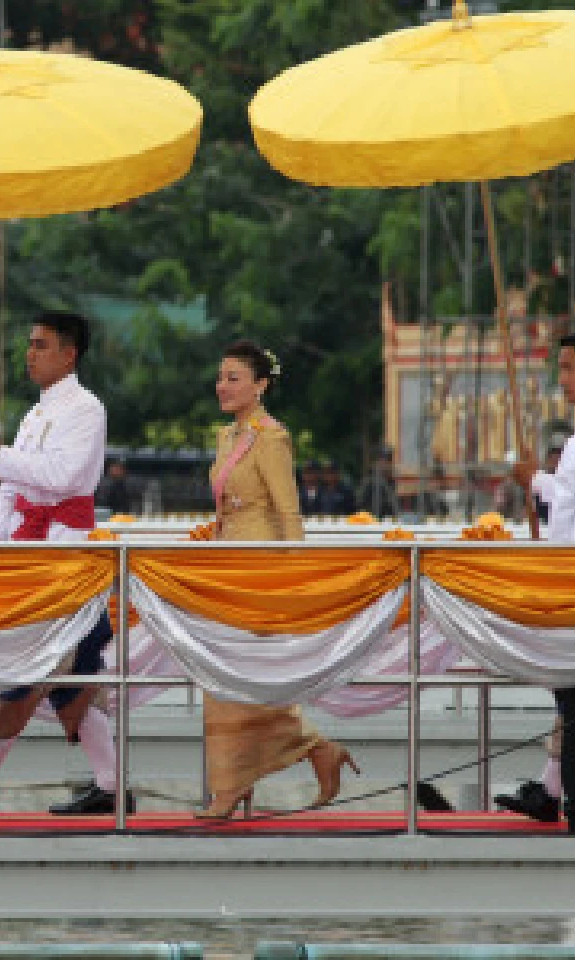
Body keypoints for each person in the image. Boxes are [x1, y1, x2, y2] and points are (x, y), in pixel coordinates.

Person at [0, 310, 131, 816]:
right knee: (68, 674)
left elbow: (61, 476)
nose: (30, 354)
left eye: (41, 345)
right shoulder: (36, 414)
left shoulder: (87, 408)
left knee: (34, 668)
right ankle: (112, 784)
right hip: (31, 552)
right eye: (30, 344)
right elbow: (14, 488)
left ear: (68, 354)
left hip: (66, 552)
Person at [198, 340, 358, 819]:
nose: (222, 386)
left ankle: (232, 786)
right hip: (231, 564)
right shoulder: (228, 437)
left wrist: (295, 575)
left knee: (236, 676)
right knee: (225, 674)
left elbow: (288, 512)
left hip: (263, 567)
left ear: (261, 385)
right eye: (222, 377)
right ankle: (308, 752)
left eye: (234, 378)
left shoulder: (272, 438)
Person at [503, 329, 575, 834]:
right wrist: (537, 481)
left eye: (569, 368)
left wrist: (536, 482)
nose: (563, 379)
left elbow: (566, 534)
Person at [358, 446, 399, 519]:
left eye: (388, 460)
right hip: (372, 523)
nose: (385, 464)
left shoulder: (394, 482)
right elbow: (360, 504)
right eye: (382, 460)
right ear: (376, 463)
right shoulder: (369, 483)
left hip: (391, 523)